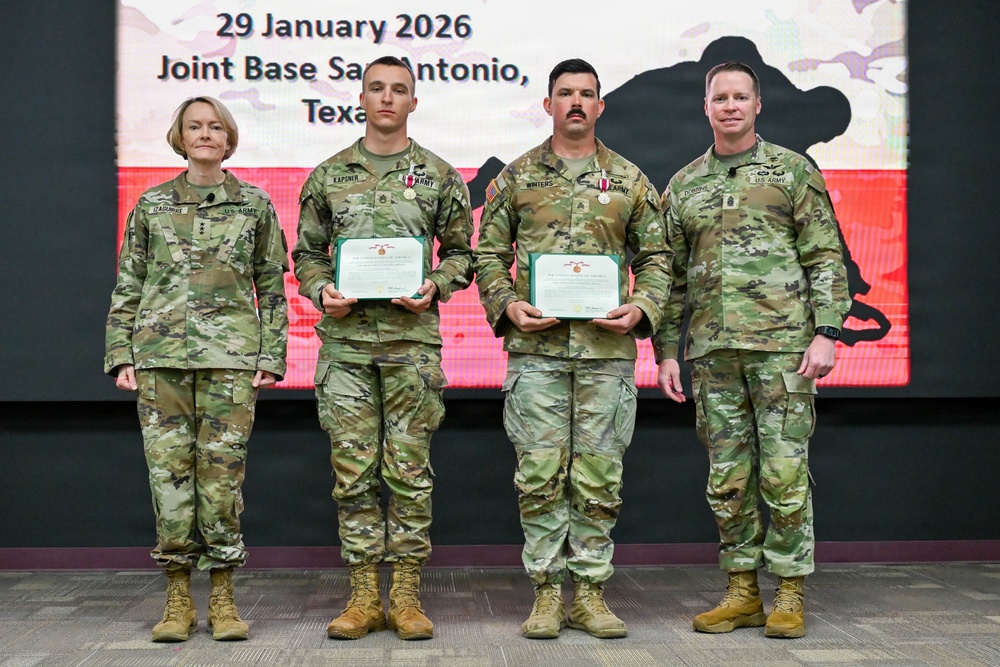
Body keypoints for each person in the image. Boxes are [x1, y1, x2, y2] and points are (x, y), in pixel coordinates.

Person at [474, 58, 672, 640]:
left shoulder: (631, 180)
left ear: (601, 106)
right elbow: (487, 255)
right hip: (535, 355)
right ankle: (544, 593)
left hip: (606, 353)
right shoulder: (515, 179)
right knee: (537, 474)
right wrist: (506, 304)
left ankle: (588, 593)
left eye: (587, 94)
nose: (577, 103)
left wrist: (643, 309)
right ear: (548, 105)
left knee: (598, 476)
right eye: (566, 94)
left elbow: (657, 259)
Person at [654, 61, 851, 639]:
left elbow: (824, 256)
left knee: (785, 472)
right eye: (721, 98)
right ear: (707, 106)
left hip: (784, 350)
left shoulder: (792, 172)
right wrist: (667, 350)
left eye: (742, 97)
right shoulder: (685, 185)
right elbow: (671, 279)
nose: (731, 107)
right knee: (728, 478)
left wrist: (827, 332)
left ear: (757, 105)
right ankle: (741, 590)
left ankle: (789, 592)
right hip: (713, 355)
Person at [292, 55, 473, 641]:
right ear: (361, 99)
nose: (388, 98)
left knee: (409, 471)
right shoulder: (328, 175)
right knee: (353, 471)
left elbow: (463, 255)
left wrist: (436, 286)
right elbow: (308, 255)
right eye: (377, 89)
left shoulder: (440, 175)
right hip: (344, 347)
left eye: (400, 90)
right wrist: (322, 289)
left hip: (412, 346)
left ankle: (407, 595)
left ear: (414, 102)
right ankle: (364, 594)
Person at [105, 96, 289, 642]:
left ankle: (225, 598)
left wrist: (271, 356)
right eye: (194, 127)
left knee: (222, 481)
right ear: (179, 137)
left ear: (228, 139)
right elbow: (129, 283)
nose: (205, 134)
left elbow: (273, 288)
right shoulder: (151, 205)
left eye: (215, 127)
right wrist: (121, 352)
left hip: (230, 361)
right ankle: (179, 599)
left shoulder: (255, 205)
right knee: (169, 479)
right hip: (160, 361)